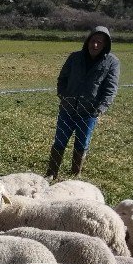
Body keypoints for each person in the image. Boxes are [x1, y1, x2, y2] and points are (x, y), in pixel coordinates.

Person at [46, 26, 120, 178]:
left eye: (99, 42)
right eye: (93, 41)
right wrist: (63, 95)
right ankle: (51, 173)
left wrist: (100, 108)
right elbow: (62, 78)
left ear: (105, 45)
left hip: (89, 112)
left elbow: (111, 89)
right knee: (59, 142)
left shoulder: (112, 62)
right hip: (67, 109)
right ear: (88, 41)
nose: (95, 45)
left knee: (81, 145)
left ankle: (75, 176)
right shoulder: (75, 57)